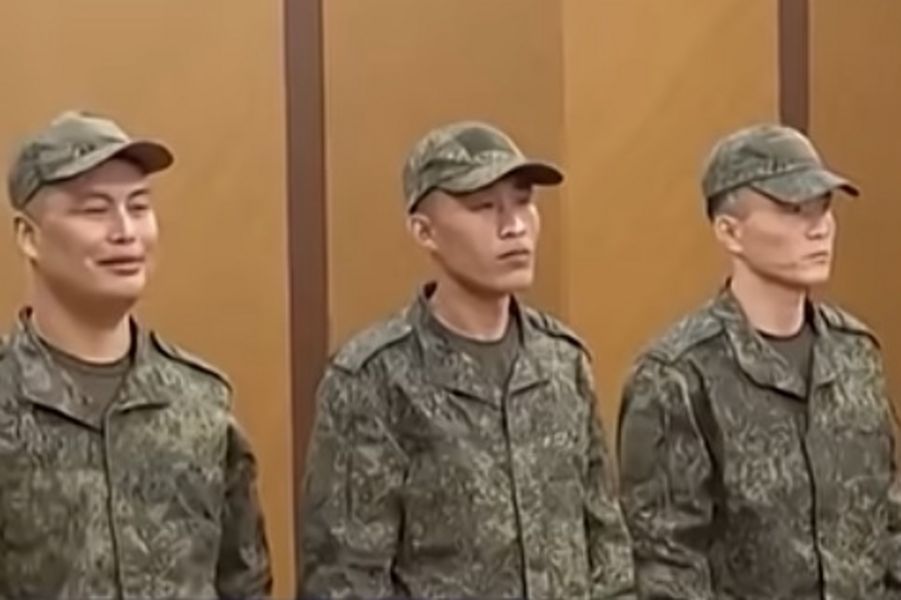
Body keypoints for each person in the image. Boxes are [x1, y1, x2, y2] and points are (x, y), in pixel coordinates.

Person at [300, 120, 635, 599]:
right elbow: (346, 578)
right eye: (484, 208)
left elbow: (606, 544)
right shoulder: (375, 378)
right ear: (425, 231)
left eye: (523, 202)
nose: (514, 227)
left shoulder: (562, 362)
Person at [617, 123, 901, 599]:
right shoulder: (678, 376)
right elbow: (668, 565)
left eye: (823, 207)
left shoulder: (854, 353)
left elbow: (889, 520)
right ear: (730, 231)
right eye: (793, 210)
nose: (819, 227)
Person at [0, 110, 272, 599]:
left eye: (139, 206)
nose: (125, 231)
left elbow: (244, 582)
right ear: (28, 236)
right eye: (94, 210)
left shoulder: (200, 403)